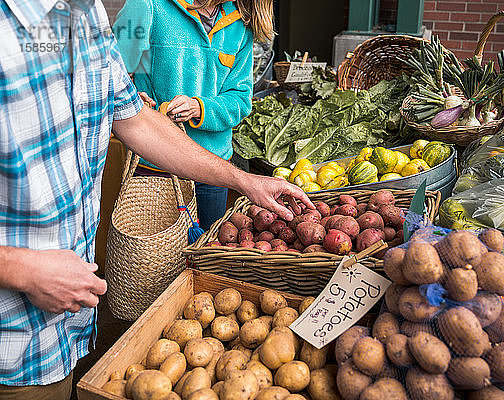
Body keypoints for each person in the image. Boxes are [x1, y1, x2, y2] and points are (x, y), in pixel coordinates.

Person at [0, 0, 311, 398]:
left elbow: (132, 117)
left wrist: (246, 181)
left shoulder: (87, 13)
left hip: (68, 335)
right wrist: (23, 270)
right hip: (12, 347)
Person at [113, 0, 272, 231]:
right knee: (155, 259)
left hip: (214, 169)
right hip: (158, 165)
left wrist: (200, 108)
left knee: (204, 255)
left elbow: (240, 100)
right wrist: (133, 97)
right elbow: (109, 71)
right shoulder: (148, 4)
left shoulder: (241, 24)